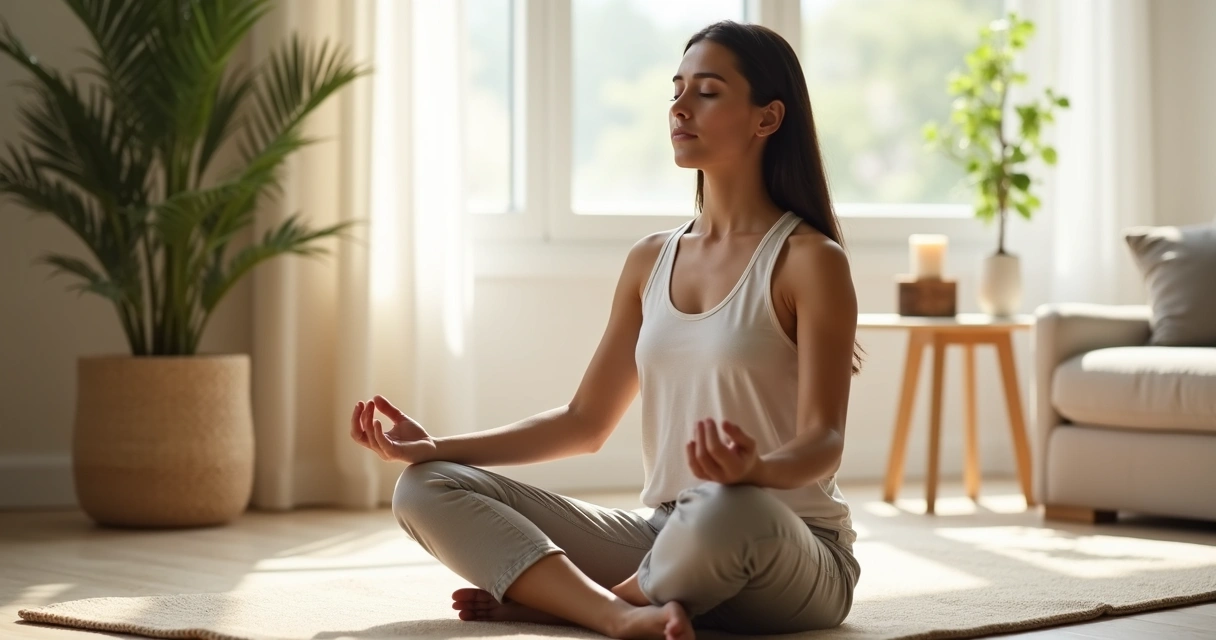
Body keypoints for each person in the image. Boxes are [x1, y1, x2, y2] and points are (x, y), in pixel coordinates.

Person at [348, 19, 863, 640]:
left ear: (766, 118)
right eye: (676, 89)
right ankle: (618, 614)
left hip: (784, 548)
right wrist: (437, 449)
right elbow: (584, 422)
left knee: (727, 505)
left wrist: (753, 468)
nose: (678, 107)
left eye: (707, 91)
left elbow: (823, 441)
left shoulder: (809, 261)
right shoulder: (650, 258)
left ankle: (574, 601)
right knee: (424, 489)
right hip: (670, 537)